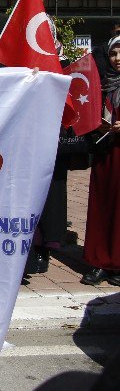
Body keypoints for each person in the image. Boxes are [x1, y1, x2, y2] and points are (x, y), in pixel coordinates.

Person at [82, 35, 120, 287]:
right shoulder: (104, 84)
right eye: (114, 54)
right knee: (102, 206)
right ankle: (99, 262)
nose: (118, 59)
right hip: (106, 153)